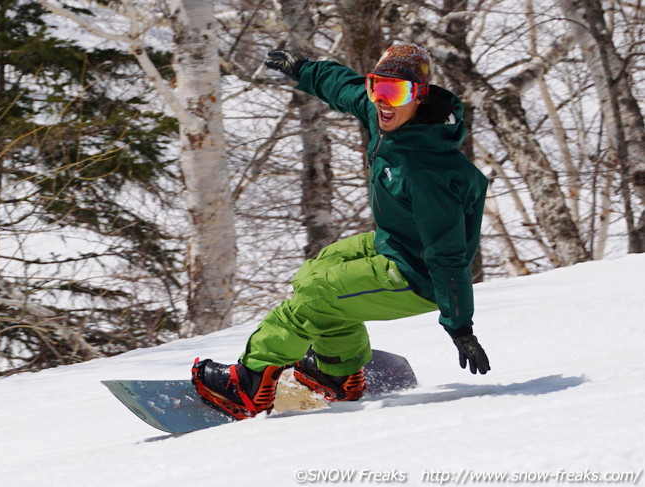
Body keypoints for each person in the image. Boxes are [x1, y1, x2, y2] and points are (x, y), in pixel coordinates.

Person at [191, 44, 491, 420]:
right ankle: (337, 373)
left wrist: (460, 326)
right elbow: (344, 87)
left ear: (419, 95)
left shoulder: (426, 170)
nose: (383, 102)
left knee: (317, 295)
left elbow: (448, 255)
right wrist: (303, 69)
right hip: (396, 243)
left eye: (396, 93)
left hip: (423, 276)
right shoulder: (387, 117)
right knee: (318, 270)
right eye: (378, 88)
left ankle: (247, 384)